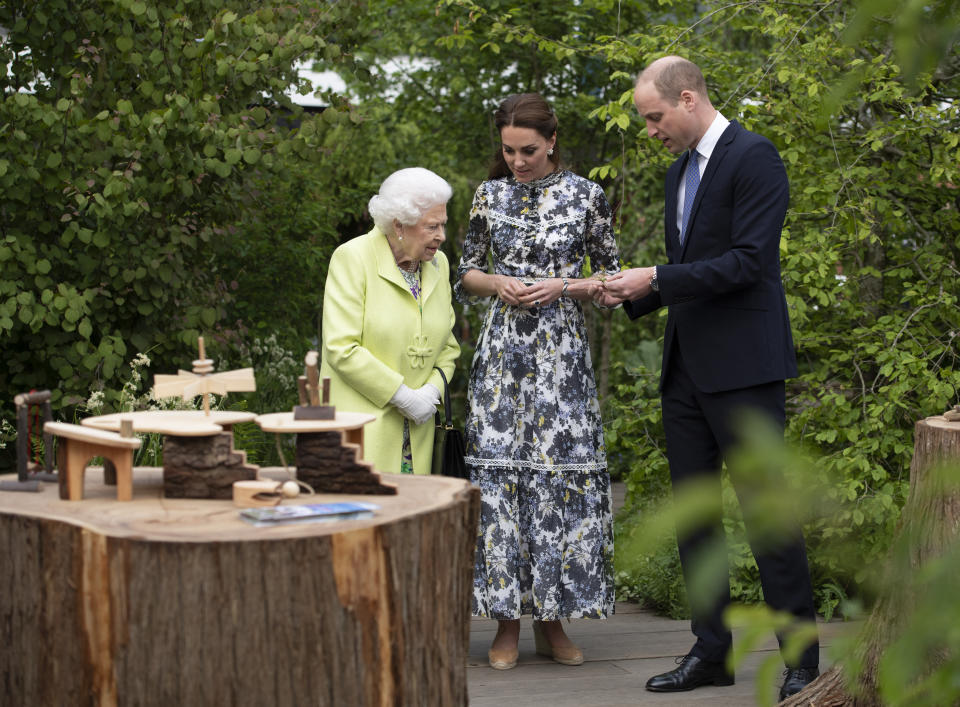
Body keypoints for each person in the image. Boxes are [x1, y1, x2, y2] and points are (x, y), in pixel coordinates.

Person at [597, 56, 819, 700]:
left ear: (688, 99)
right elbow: (692, 270)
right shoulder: (678, 175)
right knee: (695, 519)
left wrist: (658, 278)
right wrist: (631, 294)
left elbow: (748, 263)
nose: (650, 130)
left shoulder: (756, 157)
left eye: (654, 117)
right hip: (685, 371)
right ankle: (711, 652)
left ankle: (802, 660)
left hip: (746, 370)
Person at [455, 93, 619, 671]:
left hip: (561, 359)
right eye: (508, 150)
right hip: (502, 358)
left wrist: (563, 287)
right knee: (501, 488)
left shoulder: (586, 196)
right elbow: (465, 271)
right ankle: (505, 625)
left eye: (528, 150)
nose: (517, 160)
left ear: (551, 141)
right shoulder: (489, 195)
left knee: (555, 485)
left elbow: (613, 279)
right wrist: (496, 282)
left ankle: (553, 621)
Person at [320, 167, 460, 475]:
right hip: (361, 430)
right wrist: (402, 396)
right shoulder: (353, 258)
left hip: (418, 435)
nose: (442, 237)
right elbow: (341, 347)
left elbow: (448, 349)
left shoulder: (439, 265)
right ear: (399, 225)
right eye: (432, 226)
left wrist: (431, 394)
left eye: (443, 225)